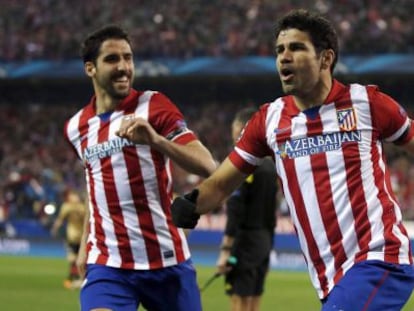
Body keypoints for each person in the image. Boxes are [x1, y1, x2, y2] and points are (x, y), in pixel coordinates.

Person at [171, 9, 414, 310]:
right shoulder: (268, 121)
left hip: (380, 257)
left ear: (325, 58)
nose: (284, 57)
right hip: (329, 275)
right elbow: (221, 184)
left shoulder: (367, 103)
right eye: (280, 50)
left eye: (296, 48)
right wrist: (190, 204)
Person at [64, 25, 216, 311]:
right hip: (108, 265)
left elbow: (208, 165)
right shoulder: (76, 128)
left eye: (128, 58)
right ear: (90, 68)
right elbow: (95, 185)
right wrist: (86, 243)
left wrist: (156, 141)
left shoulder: (154, 106)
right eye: (112, 59)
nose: (123, 67)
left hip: (166, 260)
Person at [216, 107, 278, 311]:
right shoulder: (270, 166)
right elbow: (272, 213)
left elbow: (235, 210)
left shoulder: (241, 165)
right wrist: (268, 247)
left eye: (235, 129)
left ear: (243, 129)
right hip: (263, 241)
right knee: (254, 298)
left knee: (239, 299)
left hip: (244, 242)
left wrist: (226, 250)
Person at [51, 189, 86, 289]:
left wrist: (55, 228)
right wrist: (55, 228)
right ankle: (75, 277)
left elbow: (60, 219)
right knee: (75, 258)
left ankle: (75, 277)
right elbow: (61, 219)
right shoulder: (80, 207)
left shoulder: (69, 207)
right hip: (76, 236)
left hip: (77, 236)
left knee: (75, 258)